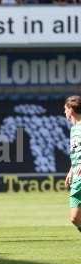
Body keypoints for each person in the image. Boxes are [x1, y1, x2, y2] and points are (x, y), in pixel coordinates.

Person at [64, 95, 81, 234]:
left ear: (71, 109)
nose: (64, 112)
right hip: (77, 177)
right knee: (74, 218)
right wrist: (71, 171)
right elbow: (76, 152)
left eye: (65, 109)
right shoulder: (73, 129)